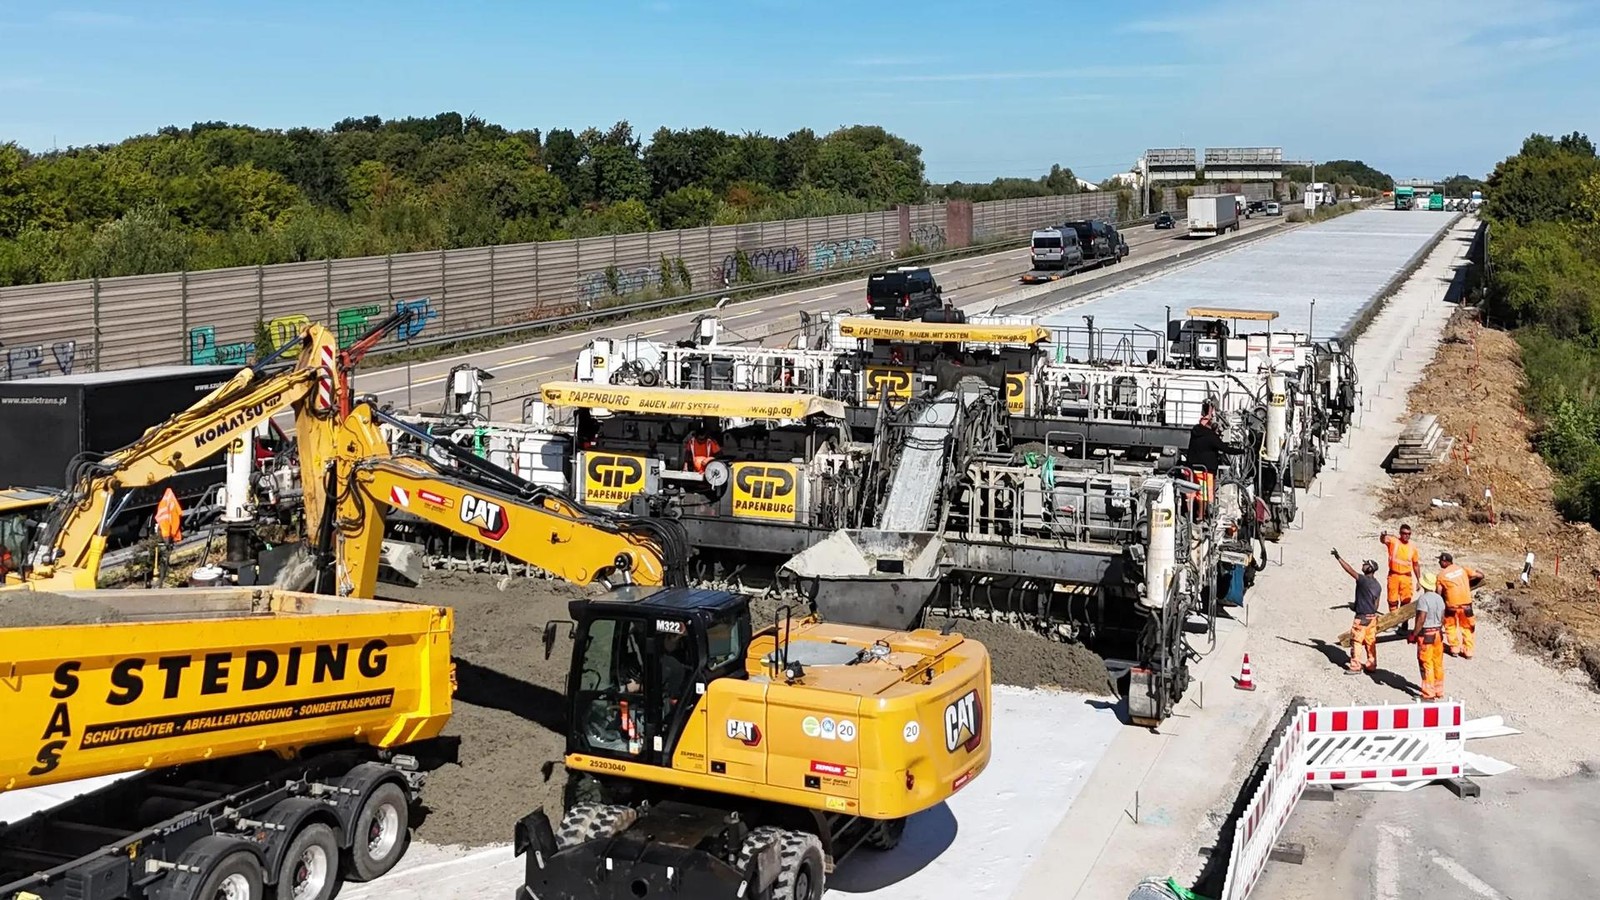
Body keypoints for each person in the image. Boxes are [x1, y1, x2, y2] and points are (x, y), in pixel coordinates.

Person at [1185, 399, 1244, 519]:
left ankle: (1190, 515)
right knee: (1205, 494)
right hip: (1206, 470)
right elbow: (1225, 448)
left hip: (1192, 468)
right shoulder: (1211, 436)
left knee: (1192, 492)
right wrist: (1242, 450)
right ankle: (1202, 516)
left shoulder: (1195, 432)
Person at [1332, 548, 1382, 674]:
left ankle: (1355, 666)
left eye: (1365, 564)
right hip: (1372, 618)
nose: (1363, 566)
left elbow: (1349, 570)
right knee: (1370, 642)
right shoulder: (1377, 585)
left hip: (1362, 617)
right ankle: (1371, 665)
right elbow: (1376, 605)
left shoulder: (1363, 580)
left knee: (1357, 641)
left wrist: (1338, 557)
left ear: (1370, 568)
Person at [1436, 552, 1485, 658]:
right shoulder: (1463, 569)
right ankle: (1468, 651)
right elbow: (1480, 576)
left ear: (1445, 562)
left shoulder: (1441, 575)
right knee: (1467, 627)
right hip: (1466, 605)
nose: (1439, 562)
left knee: (1450, 626)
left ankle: (1454, 648)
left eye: (1440, 561)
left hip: (1451, 605)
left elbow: (1438, 593)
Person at [1408, 571, 1448, 700]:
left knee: (1426, 663)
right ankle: (1438, 690)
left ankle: (1428, 694)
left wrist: (1414, 634)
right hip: (1438, 633)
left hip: (1426, 635)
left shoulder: (1423, 599)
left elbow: (1421, 618)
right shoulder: (1439, 598)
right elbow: (1442, 618)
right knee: (1438, 663)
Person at [1380, 524, 1421, 619]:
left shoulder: (1412, 547)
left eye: (1409, 534)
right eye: (1404, 533)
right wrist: (1382, 535)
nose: (1406, 535)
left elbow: (1415, 564)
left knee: (1406, 600)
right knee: (1392, 600)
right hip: (1393, 575)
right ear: (1400, 533)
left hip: (1406, 577)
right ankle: (1393, 619)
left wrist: (1419, 581)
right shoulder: (1394, 542)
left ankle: (1404, 622)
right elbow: (1383, 540)